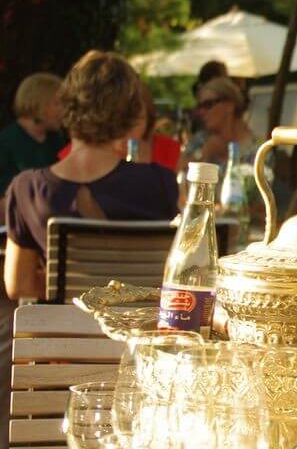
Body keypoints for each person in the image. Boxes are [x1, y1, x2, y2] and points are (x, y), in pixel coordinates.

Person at [4, 51, 179, 301]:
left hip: (61, 334)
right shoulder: (160, 183)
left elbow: (19, 286)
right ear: (131, 116)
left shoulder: (27, 189)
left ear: (66, 106)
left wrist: (72, 283)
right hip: (134, 332)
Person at [58, 81, 180, 172]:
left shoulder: (168, 149)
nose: (126, 127)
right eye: (120, 118)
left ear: (148, 118)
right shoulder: (78, 152)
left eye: (135, 119)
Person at [0, 73, 65, 196]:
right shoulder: (6, 143)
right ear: (38, 104)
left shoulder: (56, 140)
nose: (63, 110)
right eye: (57, 103)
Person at [194, 76, 259, 167]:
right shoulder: (200, 139)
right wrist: (202, 154)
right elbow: (177, 174)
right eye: (200, 106)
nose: (201, 112)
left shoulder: (257, 150)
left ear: (230, 105)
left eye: (208, 104)